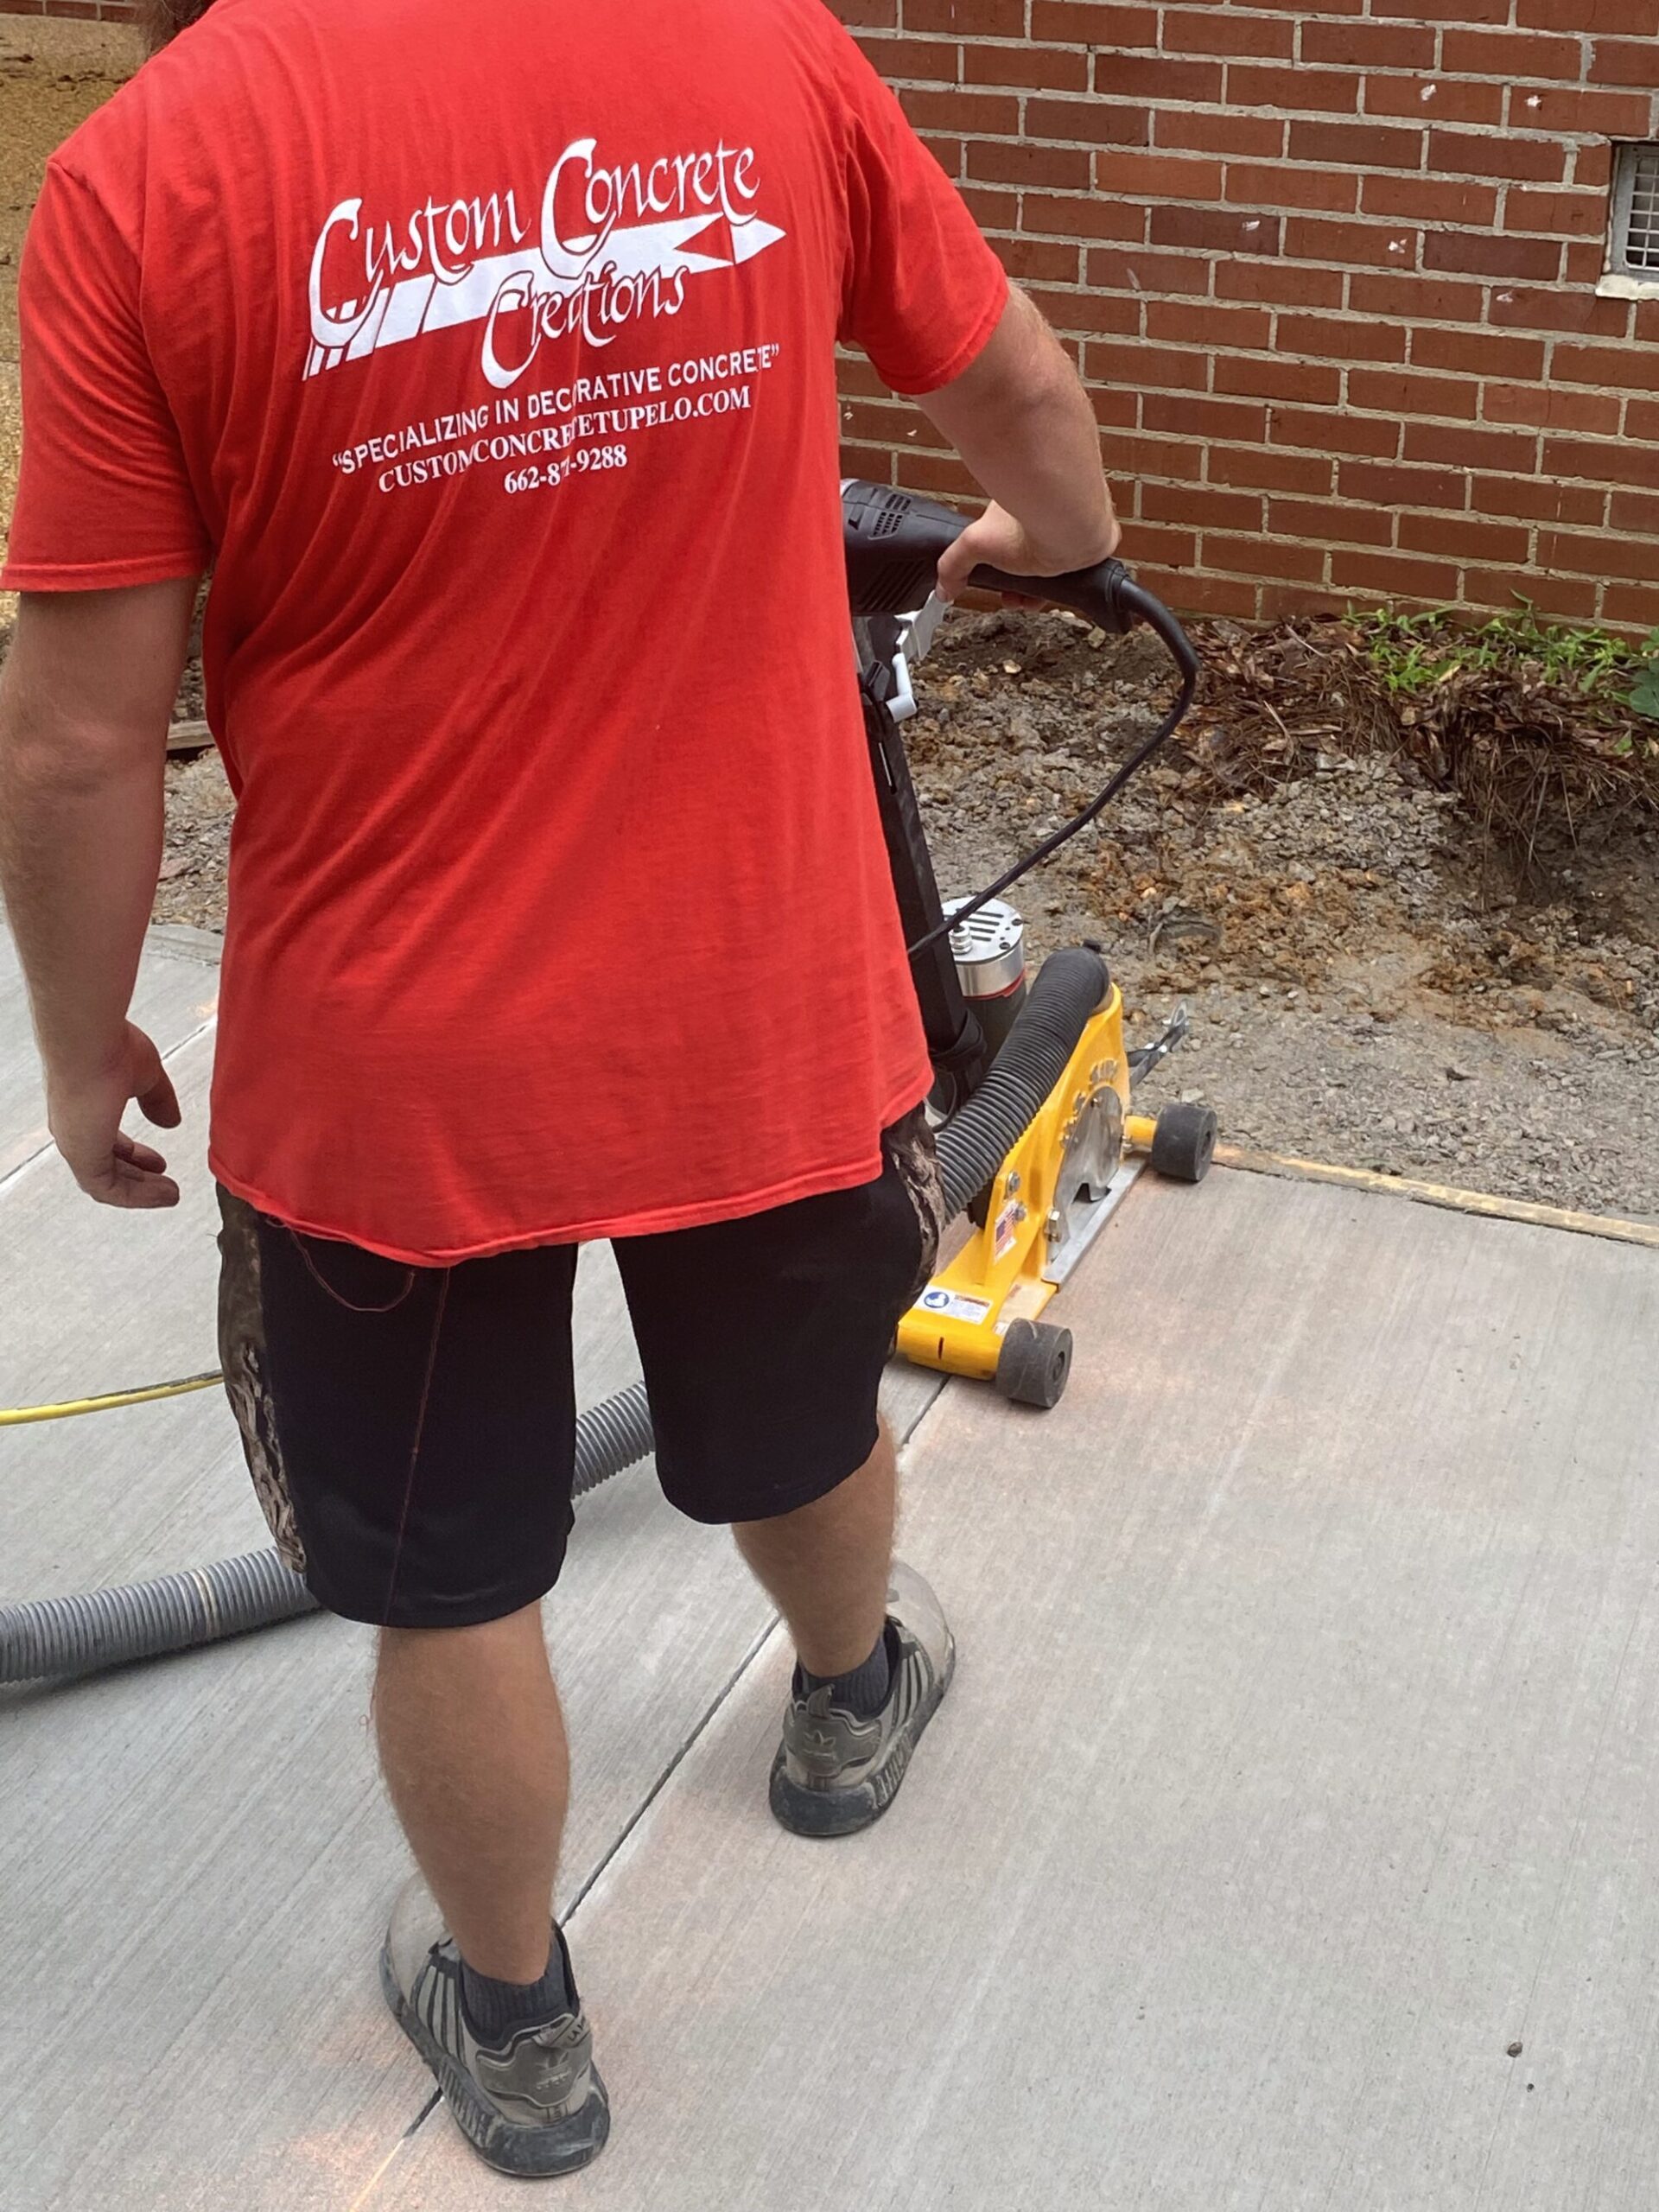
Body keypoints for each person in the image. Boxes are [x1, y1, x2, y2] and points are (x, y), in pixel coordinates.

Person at [0, 0, 1121, 2178]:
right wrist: (1060, 536)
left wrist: (76, 1030)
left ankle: (517, 2019)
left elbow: (76, 734)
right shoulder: (763, 48)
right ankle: (849, 1698)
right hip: (756, 990)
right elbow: (1021, 392)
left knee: (450, 1565)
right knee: (801, 1407)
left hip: (396, 1067)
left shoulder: (153, 171)